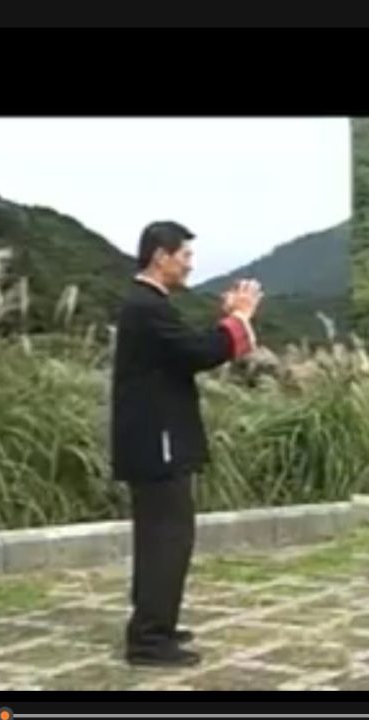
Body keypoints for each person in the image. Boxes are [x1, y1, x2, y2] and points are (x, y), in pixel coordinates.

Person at [111, 221, 263, 667]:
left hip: (154, 439)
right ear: (161, 256)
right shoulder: (147, 306)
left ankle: (156, 623)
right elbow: (197, 352)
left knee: (162, 536)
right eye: (185, 256)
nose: (190, 264)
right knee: (167, 537)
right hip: (157, 441)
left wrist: (229, 322)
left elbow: (187, 347)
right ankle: (148, 640)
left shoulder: (148, 304)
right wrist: (240, 318)